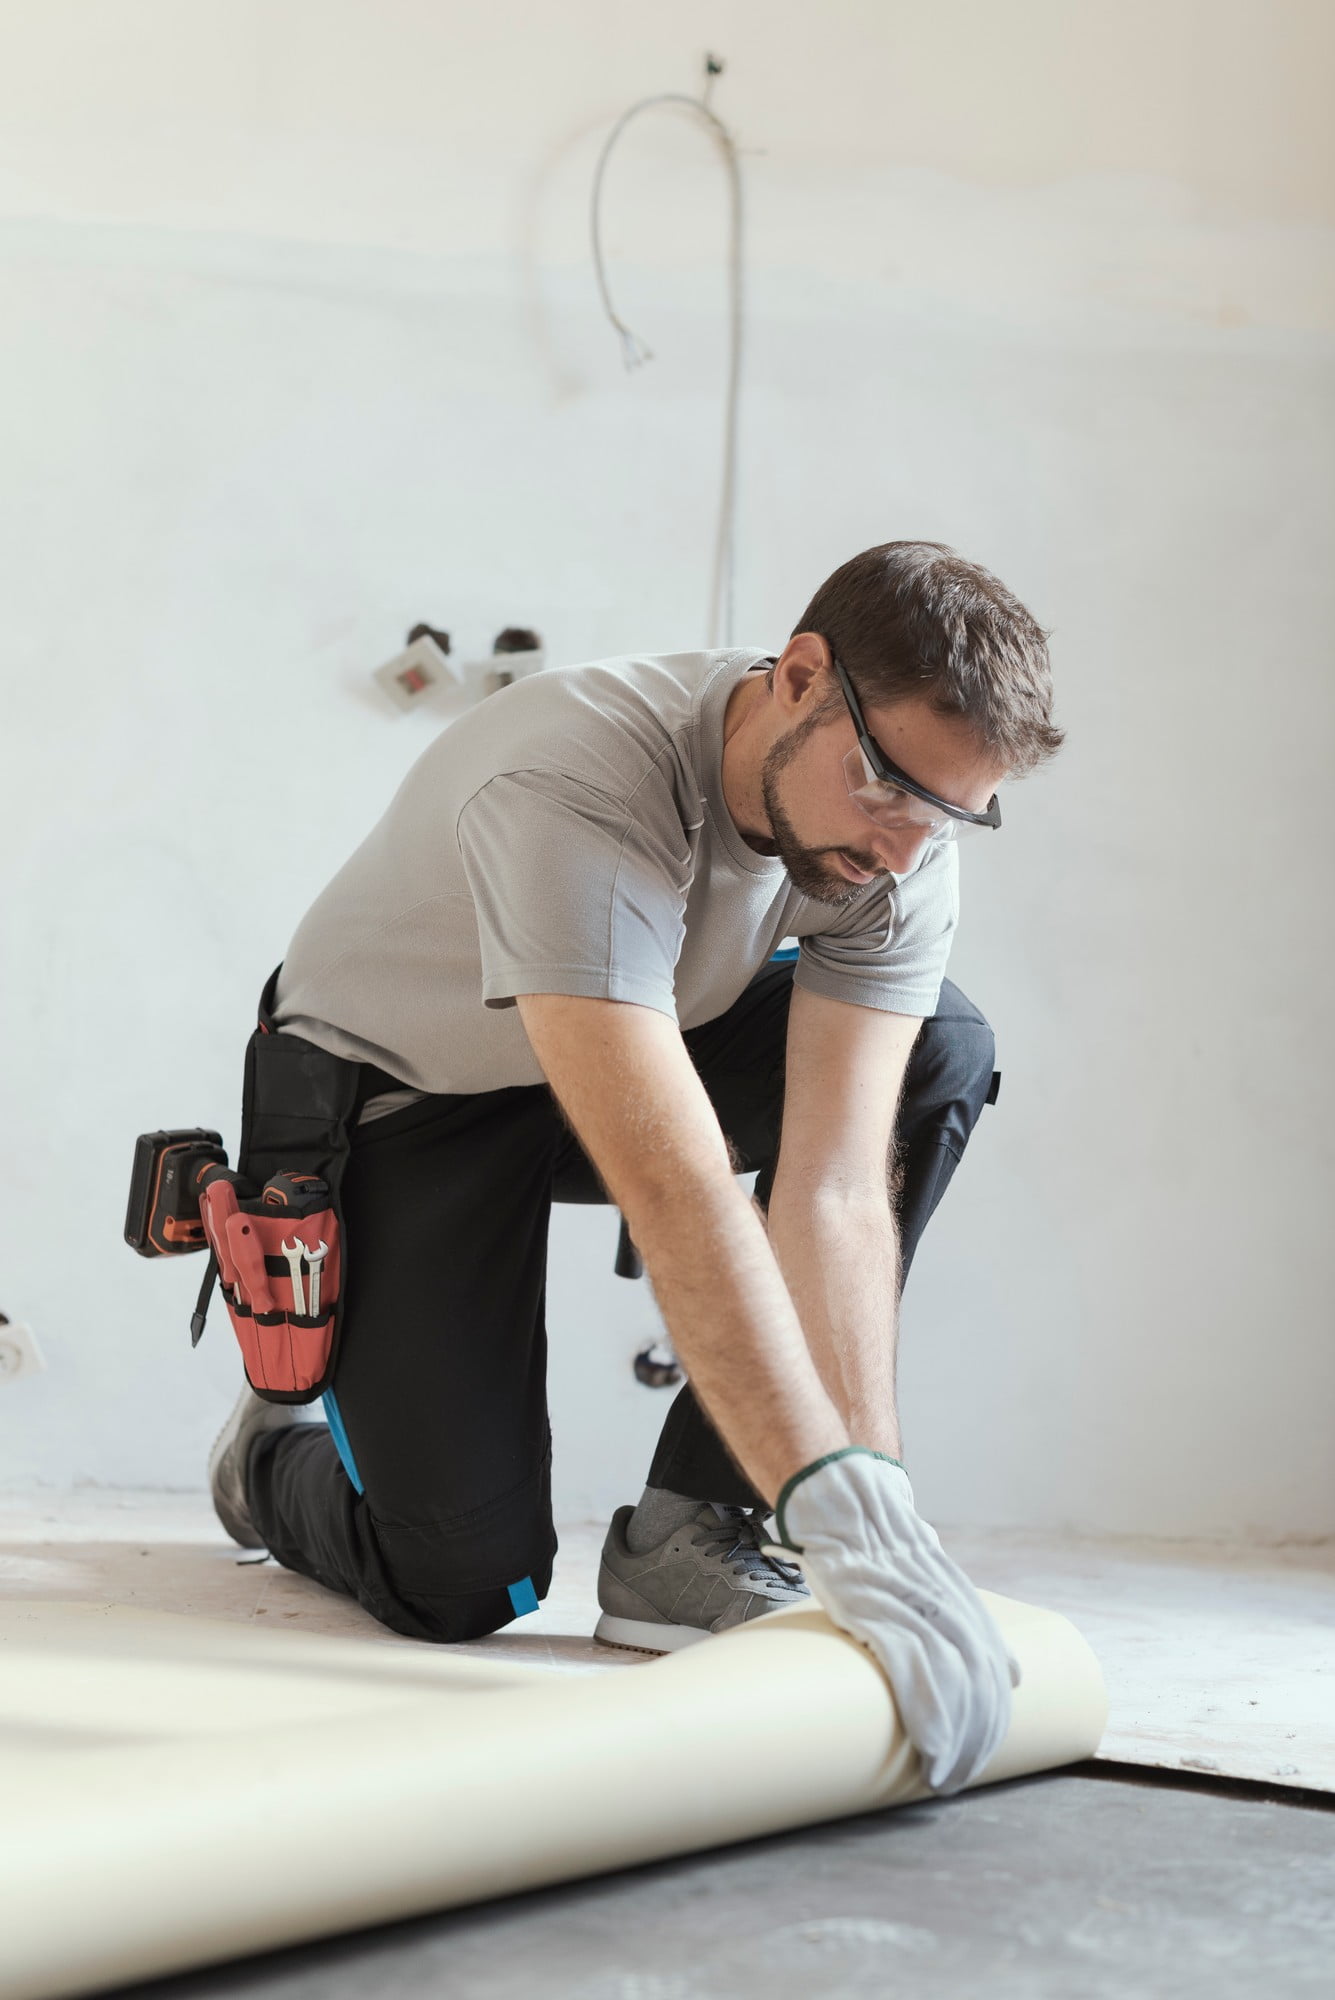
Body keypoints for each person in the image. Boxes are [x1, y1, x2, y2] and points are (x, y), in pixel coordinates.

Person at [208, 540, 1062, 1793]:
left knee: (941, 1047)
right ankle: (267, 1458)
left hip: (630, 1032)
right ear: (802, 675)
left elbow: (833, 1186)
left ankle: (694, 1525)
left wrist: (867, 1505)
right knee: (458, 1579)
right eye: (884, 786)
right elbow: (677, 1186)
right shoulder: (578, 780)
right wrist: (836, 1501)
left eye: (948, 811)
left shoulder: (902, 844)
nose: (902, 849)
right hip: (406, 1089)